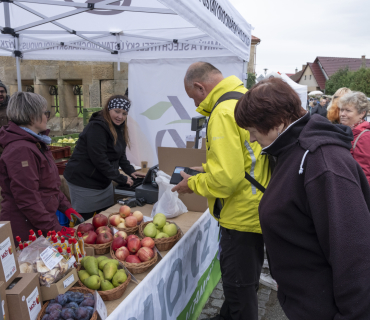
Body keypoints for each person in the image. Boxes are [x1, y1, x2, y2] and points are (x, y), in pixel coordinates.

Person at [234, 77, 370, 319]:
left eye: (253, 131)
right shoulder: (292, 150)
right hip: (306, 304)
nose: (252, 139)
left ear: (277, 123)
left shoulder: (323, 163)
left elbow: (355, 257)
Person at [172, 62, 271, 320]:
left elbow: (227, 179)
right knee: (242, 280)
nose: (195, 105)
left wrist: (191, 183)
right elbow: (242, 161)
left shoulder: (223, 112)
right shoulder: (242, 99)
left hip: (241, 214)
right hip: (254, 206)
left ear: (199, 86)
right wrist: (206, 168)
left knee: (240, 286)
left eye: (193, 97)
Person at [0, 92, 82, 242]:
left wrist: (65, 207)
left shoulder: (36, 143)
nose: (47, 117)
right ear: (32, 116)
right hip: (26, 229)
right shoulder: (21, 150)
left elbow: (50, 186)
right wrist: (54, 229)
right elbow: (28, 198)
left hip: (40, 223)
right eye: (45, 113)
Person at [64, 94, 145, 221]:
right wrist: (120, 177)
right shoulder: (96, 127)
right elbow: (99, 159)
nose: (120, 116)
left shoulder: (120, 127)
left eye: (124, 113)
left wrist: (131, 171)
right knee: (86, 221)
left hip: (103, 180)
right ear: (108, 109)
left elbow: (120, 154)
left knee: (106, 217)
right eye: (117, 111)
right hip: (83, 181)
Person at [339, 91, 370, 185]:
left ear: (362, 113)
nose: (342, 114)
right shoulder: (344, 131)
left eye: (348, 111)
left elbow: (364, 173)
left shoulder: (365, 137)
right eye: (341, 110)